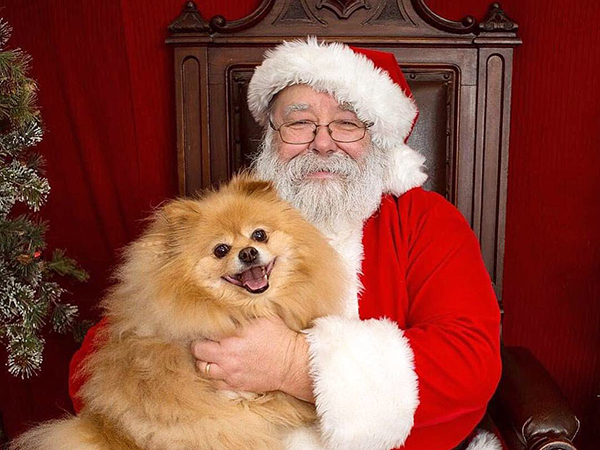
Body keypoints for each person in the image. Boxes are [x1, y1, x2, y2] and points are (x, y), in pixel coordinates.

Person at [69, 39, 502, 450]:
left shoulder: (424, 220)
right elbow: (96, 367)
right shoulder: (221, 221)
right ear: (271, 137)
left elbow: (470, 366)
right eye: (299, 122)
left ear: (379, 139)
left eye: (347, 124)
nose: (322, 142)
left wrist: (296, 364)